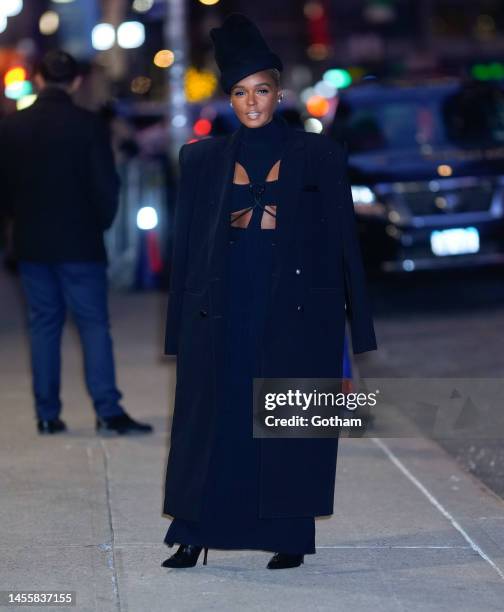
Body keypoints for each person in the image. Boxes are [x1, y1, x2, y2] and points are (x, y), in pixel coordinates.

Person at [161, 14, 377, 570]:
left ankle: (290, 537)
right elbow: (185, 249)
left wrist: (359, 329)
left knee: (288, 423)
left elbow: (343, 243)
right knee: (214, 420)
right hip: (222, 307)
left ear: (279, 92)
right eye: (239, 92)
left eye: (261, 90)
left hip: (297, 309)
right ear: (228, 98)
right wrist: (177, 329)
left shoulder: (320, 154)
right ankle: (194, 532)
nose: (251, 102)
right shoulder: (202, 159)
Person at [0, 50, 153, 437]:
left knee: (44, 326)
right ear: (76, 82)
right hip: (81, 241)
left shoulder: (12, 127)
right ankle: (107, 411)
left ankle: (48, 414)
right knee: (94, 325)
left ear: (36, 80)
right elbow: (106, 186)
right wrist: (98, 225)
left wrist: (15, 228)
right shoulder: (87, 125)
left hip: (32, 242)